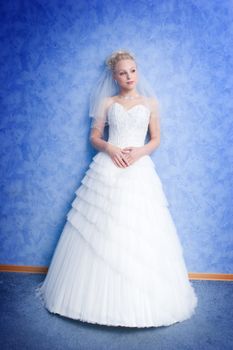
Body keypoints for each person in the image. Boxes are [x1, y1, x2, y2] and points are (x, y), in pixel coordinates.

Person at [35, 49, 198, 328]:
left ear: (137, 71)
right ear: (114, 76)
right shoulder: (107, 102)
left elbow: (156, 138)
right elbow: (94, 137)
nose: (129, 76)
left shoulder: (150, 102)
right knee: (102, 226)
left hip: (138, 168)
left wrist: (140, 152)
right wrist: (110, 147)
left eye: (133, 70)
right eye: (123, 72)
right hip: (108, 165)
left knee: (138, 228)